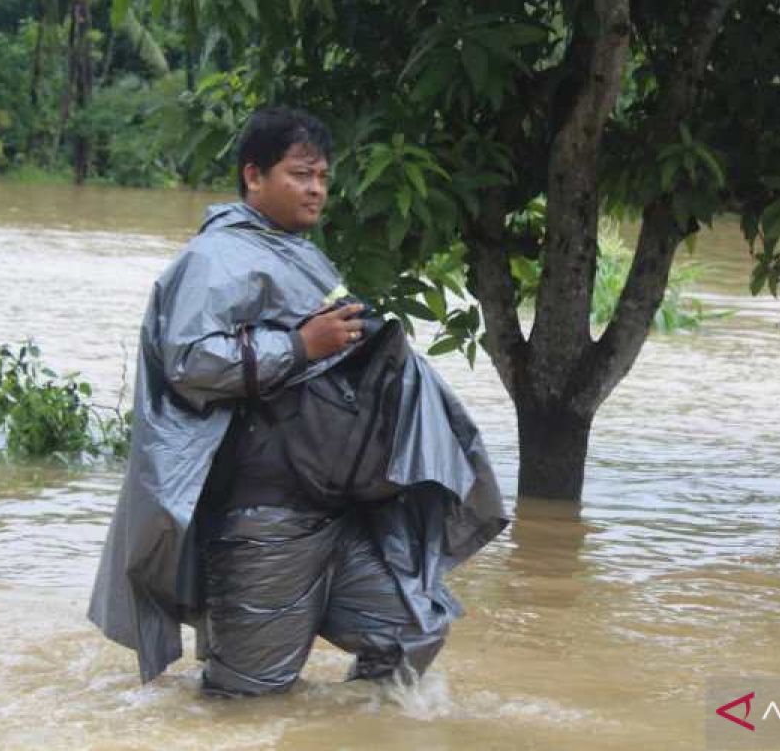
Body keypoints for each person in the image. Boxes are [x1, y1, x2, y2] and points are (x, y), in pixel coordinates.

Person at [88, 106, 507, 696]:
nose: (316, 190)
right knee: (247, 703)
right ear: (253, 175)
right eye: (301, 174)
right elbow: (190, 362)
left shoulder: (301, 255)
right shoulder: (214, 259)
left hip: (337, 513)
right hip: (265, 521)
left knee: (413, 627)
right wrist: (298, 346)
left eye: (324, 178)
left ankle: (349, 731)